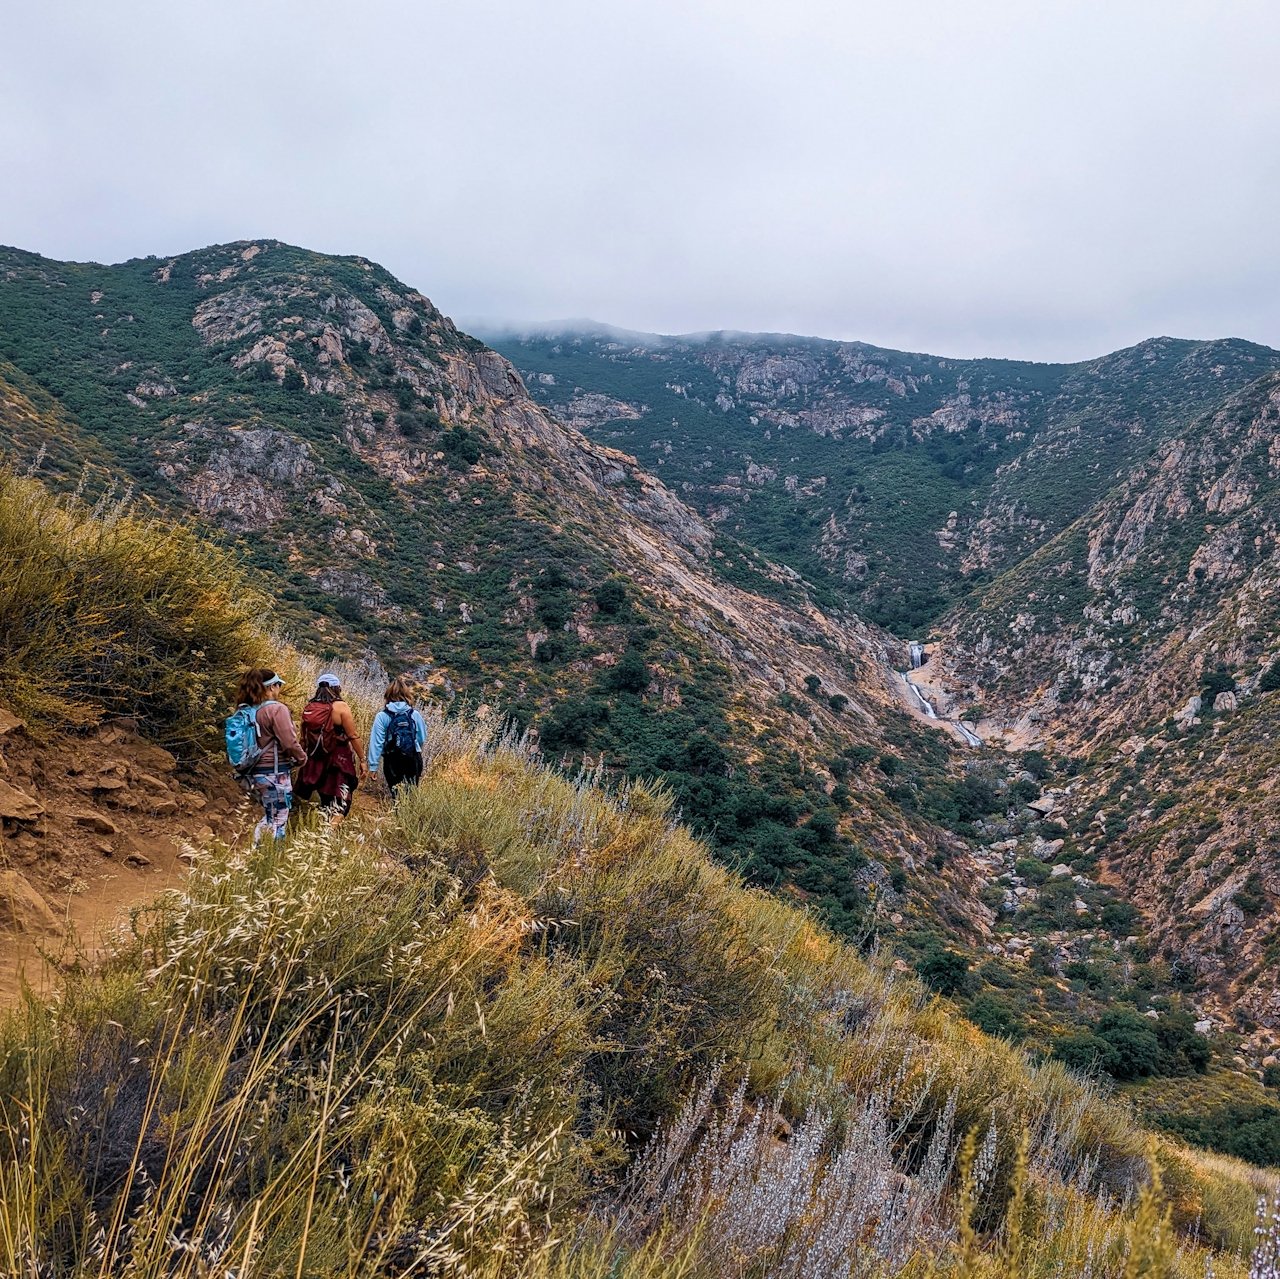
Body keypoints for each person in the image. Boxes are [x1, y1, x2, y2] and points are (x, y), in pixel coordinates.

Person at [234, 668, 306, 845]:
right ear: (272, 687)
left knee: (269, 814)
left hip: (252, 773)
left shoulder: (245, 710)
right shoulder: (276, 709)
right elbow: (289, 743)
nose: (279, 689)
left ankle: (258, 852)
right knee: (278, 819)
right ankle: (267, 857)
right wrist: (302, 759)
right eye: (278, 685)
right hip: (275, 773)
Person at [295, 673, 367, 824]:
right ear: (336, 688)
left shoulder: (310, 706)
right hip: (338, 761)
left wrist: (300, 760)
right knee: (342, 803)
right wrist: (363, 760)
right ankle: (327, 836)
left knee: (326, 799)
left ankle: (322, 832)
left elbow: (303, 738)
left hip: (316, 761)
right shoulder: (341, 707)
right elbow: (353, 735)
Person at [368, 677, 428, 795]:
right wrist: (412, 746)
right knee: (412, 794)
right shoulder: (414, 714)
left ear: (388, 695)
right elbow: (422, 737)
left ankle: (397, 812)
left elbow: (377, 742)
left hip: (392, 759)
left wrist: (373, 766)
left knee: (396, 794)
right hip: (413, 757)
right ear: (406, 694)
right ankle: (410, 813)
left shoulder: (382, 716)